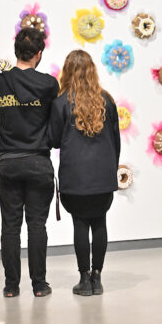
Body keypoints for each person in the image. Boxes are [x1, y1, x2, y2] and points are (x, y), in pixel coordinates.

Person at [0, 28, 59, 298]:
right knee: (37, 225)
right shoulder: (49, 84)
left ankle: (10, 286)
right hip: (38, 162)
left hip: (8, 161)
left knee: (10, 225)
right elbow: (53, 120)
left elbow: (0, 112)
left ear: (16, 50)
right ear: (39, 54)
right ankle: (39, 285)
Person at [49, 50, 120, 296]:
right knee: (100, 222)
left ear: (67, 72)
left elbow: (54, 140)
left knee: (80, 224)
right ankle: (97, 278)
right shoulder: (107, 101)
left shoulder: (60, 103)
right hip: (103, 175)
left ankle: (83, 279)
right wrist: (111, 171)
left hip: (75, 176)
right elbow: (116, 141)